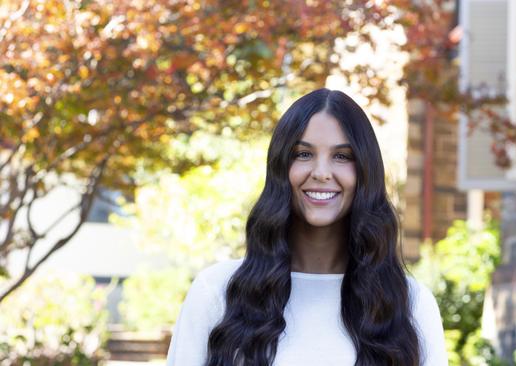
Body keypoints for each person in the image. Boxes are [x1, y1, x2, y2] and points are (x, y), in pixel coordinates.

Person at [166, 88, 448, 366]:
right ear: (280, 167)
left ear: (365, 171)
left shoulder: (411, 305)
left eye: (342, 156)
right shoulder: (216, 292)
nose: (321, 173)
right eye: (303, 154)